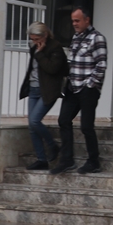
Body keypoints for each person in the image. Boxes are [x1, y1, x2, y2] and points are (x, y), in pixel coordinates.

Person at [51, 7, 108, 175]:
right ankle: (67, 160)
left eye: (77, 20)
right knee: (63, 120)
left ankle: (94, 161)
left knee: (86, 126)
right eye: (73, 21)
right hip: (72, 87)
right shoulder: (76, 38)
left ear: (87, 20)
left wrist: (90, 85)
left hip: (87, 89)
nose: (74, 24)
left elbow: (101, 65)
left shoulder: (97, 38)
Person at [18, 22, 68, 171]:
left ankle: (53, 146)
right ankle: (41, 159)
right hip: (33, 89)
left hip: (47, 90)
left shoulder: (55, 48)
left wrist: (40, 54)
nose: (34, 42)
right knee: (32, 126)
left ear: (45, 35)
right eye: (32, 39)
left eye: (36, 39)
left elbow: (52, 69)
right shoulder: (34, 47)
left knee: (34, 121)